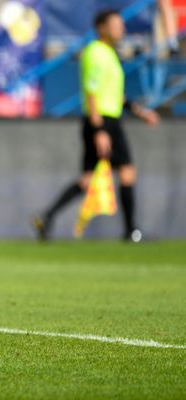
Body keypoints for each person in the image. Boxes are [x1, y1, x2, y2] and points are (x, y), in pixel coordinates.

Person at [32, 9, 159, 242]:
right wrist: (100, 130)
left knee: (87, 181)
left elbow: (115, 94)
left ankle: (47, 217)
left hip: (105, 119)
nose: (122, 29)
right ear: (102, 27)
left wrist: (140, 112)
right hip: (102, 120)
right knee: (127, 172)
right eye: (116, 24)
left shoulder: (109, 54)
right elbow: (92, 93)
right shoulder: (95, 52)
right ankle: (131, 230)